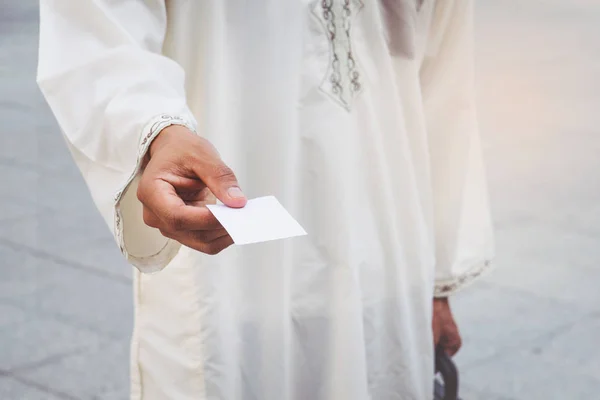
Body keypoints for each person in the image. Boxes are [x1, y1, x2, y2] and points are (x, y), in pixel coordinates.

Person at [37, 0, 494, 398]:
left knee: (380, 374)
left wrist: (438, 285)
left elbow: (445, 78)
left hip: (390, 241)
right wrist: (155, 130)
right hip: (223, 244)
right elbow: (97, 27)